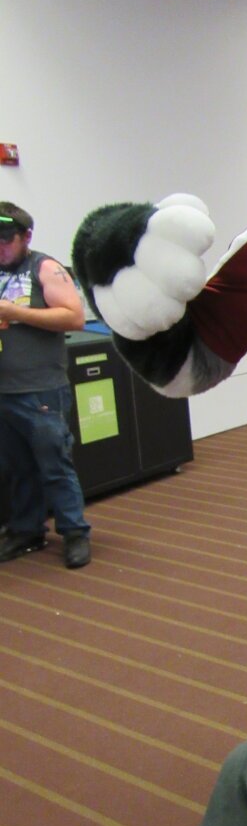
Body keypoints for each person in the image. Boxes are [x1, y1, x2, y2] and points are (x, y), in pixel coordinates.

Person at [0, 202, 91, 567]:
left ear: (26, 237)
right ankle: (26, 530)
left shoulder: (46, 268)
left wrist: (13, 312)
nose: (0, 247)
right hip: (3, 391)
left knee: (54, 465)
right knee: (16, 467)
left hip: (40, 390)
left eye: (6, 240)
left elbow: (74, 317)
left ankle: (75, 533)